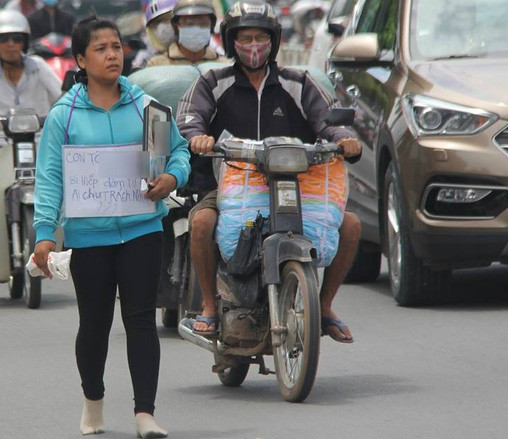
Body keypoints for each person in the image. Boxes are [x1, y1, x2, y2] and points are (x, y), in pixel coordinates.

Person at [32, 15, 190, 438]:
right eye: (101, 48)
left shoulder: (144, 106)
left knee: (140, 319)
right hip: (89, 237)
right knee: (95, 324)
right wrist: (45, 234)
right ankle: (93, 401)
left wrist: (172, 178)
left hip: (142, 229)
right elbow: (49, 179)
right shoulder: (63, 117)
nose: (112, 54)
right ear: (81, 59)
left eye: (117, 46)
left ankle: (145, 414)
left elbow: (177, 152)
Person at [177, 0, 361, 343]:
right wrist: (197, 137)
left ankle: (324, 307)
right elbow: (189, 118)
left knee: (350, 225)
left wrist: (344, 139)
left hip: (297, 184)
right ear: (231, 41)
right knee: (201, 222)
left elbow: (329, 119)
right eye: (244, 38)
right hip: (228, 185)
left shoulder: (299, 82)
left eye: (260, 37)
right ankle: (208, 307)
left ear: (273, 41)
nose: (252, 46)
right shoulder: (213, 82)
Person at [0, 9, 62, 262]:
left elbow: (62, 96)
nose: (11, 45)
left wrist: (66, 112)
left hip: (39, 143)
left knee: (62, 178)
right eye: (3, 39)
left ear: (25, 41)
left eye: (16, 39)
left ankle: (68, 233)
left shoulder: (38, 67)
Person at [146, 0, 227, 67]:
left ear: (211, 26)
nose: (196, 28)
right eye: (189, 23)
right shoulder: (156, 65)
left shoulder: (225, 65)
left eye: (203, 23)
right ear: (176, 26)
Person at [131, 0, 177, 70]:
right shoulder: (148, 61)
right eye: (156, 23)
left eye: (167, 19)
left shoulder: (194, 53)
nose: (161, 27)